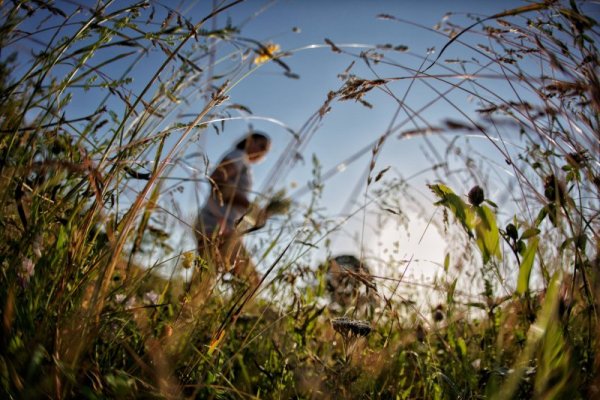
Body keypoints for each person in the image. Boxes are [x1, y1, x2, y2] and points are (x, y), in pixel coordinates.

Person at [194, 132, 271, 287]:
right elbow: (216, 179)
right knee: (251, 280)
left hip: (223, 224)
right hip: (215, 223)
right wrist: (250, 207)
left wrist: (253, 213)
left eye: (266, 151)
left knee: (205, 277)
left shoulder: (244, 163)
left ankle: (186, 307)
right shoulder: (239, 156)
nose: (262, 152)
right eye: (261, 146)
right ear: (250, 140)